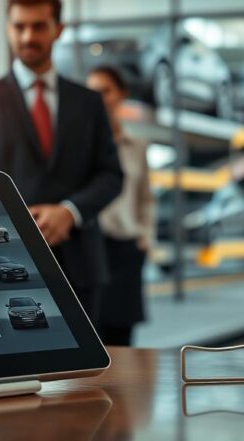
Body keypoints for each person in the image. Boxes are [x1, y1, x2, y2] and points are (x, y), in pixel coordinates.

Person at [0, 0, 123, 325]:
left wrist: (69, 211)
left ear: (58, 29)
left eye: (38, 26)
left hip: (80, 264)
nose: (28, 36)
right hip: (7, 262)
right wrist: (17, 225)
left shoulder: (89, 103)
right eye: (19, 26)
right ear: (8, 28)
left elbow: (111, 175)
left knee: (81, 378)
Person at [86, 65, 154, 346]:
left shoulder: (136, 145)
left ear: (121, 95)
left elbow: (146, 197)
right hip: (91, 249)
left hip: (126, 250)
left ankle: (122, 392)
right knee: (93, 333)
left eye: (106, 91)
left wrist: (145, 238)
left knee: (122, 337)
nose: (100, 99)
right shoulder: (81, 148)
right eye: (93, 93)